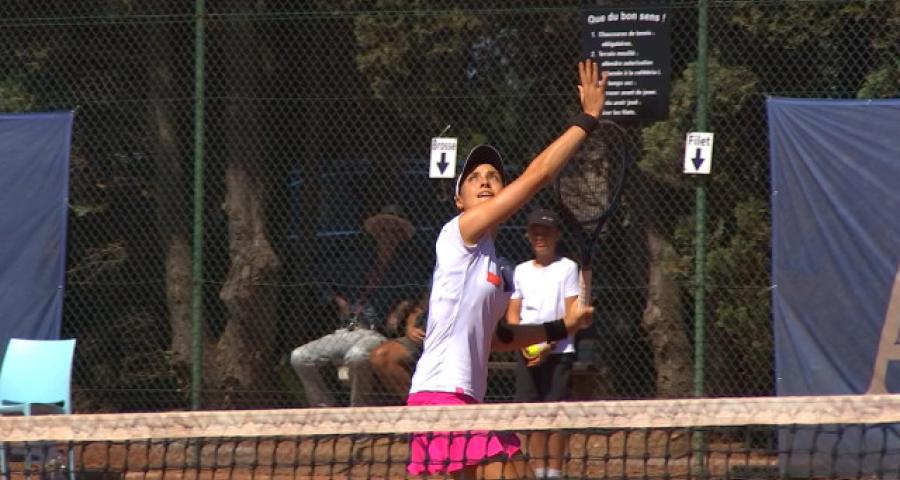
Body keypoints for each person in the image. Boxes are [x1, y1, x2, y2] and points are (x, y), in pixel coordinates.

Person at [406, 59, 608, 479]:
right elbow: (538, 175)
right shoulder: (457, 235)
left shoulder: (498, 270)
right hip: (441, 395)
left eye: (493, 176)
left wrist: (562, 326)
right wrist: (586, 120)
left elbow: (500, 338)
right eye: (473, 178)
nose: (484, 181)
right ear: (459, 200)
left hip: (464, 399)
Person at [507, 208, 580, 479]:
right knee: (533, 414)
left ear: (557, 235)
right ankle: (540, 472)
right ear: (528, 236)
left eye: (546, 231)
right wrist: (523, 344)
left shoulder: (568, 268)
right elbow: (513, 315)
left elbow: (571, 314)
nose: (540, 236)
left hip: (559, 351)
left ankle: (554, 473)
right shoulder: (520, 271)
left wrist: (548, 344)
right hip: (527, 353)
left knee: (556, 413)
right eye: (535, 231)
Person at [369, 289, 429, 400]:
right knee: (381, 356)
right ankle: (417, 403)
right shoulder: (435, 282)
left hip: (452, 339)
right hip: (423, 336)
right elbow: (419, 308)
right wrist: (410, 327)